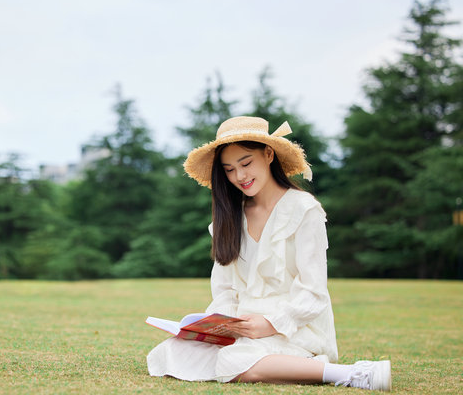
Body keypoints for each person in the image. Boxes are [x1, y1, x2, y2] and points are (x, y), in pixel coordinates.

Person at [146, 116, 392, 391]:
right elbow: (225, 289)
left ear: (268, 154)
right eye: (229, 169)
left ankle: (347, 373)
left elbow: (314, 292)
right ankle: (269, 361)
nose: (239, 176)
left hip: (295, 327)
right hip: (243, 329)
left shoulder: (304, 209)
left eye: (246, 163)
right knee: (169, 353)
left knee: (231, 362)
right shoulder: (229, 218)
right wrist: (220, 326)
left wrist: (271, 324)